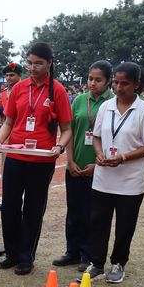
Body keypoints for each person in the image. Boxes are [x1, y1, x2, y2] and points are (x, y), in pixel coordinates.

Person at [0, 42, 73, 275]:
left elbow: (66, 129)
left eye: (38, 63)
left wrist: (58, 146)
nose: (32, 67)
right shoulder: (19, 88)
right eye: (29, 63)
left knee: (33, 209)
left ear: (49, 64)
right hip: (16, 156)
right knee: (9, 206)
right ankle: (11, 253)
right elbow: (8, 122)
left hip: (41, 160)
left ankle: (26, 256)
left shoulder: (56, 90)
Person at [78, 62, 144, 284]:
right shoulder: (107, 107)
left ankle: (118, 263)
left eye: (125, 83)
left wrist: (122, 157)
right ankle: (96, 263)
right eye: (116, 82)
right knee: (98, 222)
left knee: (125, 225)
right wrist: (99, 154)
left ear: (137, 85)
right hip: (104, 178)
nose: (119, 87)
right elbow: (96, 136)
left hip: (130, 181)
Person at [53, 60, 114, 273]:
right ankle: (72, 251)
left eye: (98, 80)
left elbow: (114, 139)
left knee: (93, 214)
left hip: (99, 168)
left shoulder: (113, 103)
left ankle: (88, 255)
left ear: (108, 81)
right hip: (75, 166)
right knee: (74, 212)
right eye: (90, 79)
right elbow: (68, 130)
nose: (93, 83)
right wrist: (70, 161)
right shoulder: (79, 100)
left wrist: (96, 165)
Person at [0, 63, 25, 211]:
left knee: (24, 166)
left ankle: (23, 199)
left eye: (12, 75)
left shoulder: (26, 90)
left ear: (19, 76)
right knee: (6, 166)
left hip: (22, 130)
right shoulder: (4, 93)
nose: (9, 78)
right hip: (8, 131)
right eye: (7, 75)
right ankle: (6, 199)